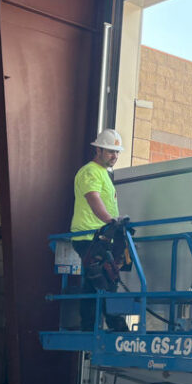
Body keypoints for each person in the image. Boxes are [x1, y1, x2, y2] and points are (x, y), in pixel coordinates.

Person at [71, 128, 125, 330]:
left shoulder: (103, 174)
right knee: (104, 278)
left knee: (94, 282)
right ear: (99, 150)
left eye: (117, 152)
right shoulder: (90, 171)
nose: (115, 156)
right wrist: (112, 221)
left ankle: (89, 326)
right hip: (88, 236)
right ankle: (115, 323)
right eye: (111, 151)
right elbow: (93, 198)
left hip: (99, 236)